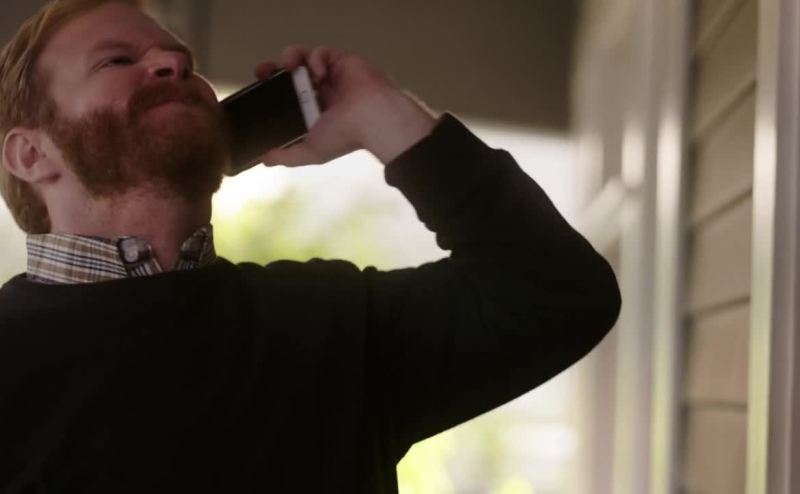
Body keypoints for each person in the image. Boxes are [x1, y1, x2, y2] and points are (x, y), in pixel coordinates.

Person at [0, 0, 621, 492]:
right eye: (117, 61)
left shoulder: (333, 322)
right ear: (30, 154)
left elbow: (560, 294)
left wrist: (380, 113)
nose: (172, 63)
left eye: (180, 59)